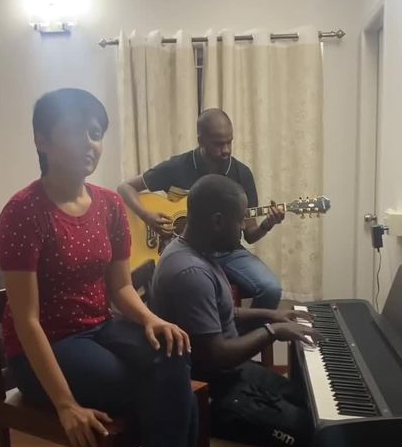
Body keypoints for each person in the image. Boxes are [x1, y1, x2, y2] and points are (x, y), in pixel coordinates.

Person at [0, 88, 202, 447]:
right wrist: (65, 404)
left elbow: (121, 288)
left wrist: (151, 319)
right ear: (42, 140)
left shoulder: (109, 204)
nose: (90, 143)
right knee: (172, 397)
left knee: (175, 355)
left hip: (100, 327)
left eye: (96, 133)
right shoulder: (23, 212)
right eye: (77, 131)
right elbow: (26, 319)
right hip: (44, 348)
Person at [151, 174, 321, 447]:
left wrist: (271, 315)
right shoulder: (190, 271)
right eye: (240, 220)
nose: (244, 228)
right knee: (308, 435)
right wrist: (273, 332)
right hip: (211, 395)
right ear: (217, 221)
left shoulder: (194, 252)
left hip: (228, 378)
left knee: (307, 400)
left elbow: (221, 314)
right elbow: (216, 355)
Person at [118, 108, 284, 310]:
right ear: (201, 140)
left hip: (227, 251)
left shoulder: (242, 174)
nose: (226, 150)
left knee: (271, 289)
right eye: (218, 144)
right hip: (184, 251)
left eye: (229, 142)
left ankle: (246, 329)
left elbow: (249, 235)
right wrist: (147, 216)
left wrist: (266, 225)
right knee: (183, 295)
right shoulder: (176, 166)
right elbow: (125, 187)